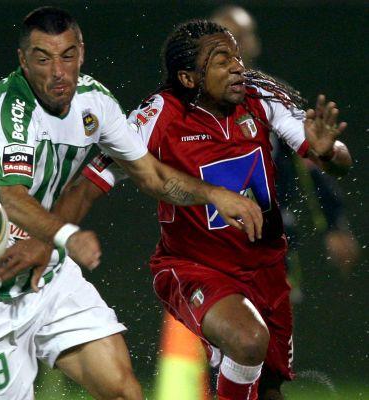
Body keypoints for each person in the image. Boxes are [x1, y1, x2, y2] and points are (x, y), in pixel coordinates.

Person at [0, 7, 263, 400]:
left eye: (67, 56)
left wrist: (213, 194)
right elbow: (12, 198)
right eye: (43, 59)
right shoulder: (9, 111)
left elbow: (151, 175)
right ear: (23, 60)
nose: (58, 72)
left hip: (49, 276)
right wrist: (66, 236)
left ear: (82, 52)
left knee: (123, 391)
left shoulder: (95, 103)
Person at [60, 20, 352, 400]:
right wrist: (49, 234)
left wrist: (329, 151)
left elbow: (336, 161)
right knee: (248, 339)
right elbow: (92, 181)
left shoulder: (262, 97)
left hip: (266, 267)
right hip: (195, 267)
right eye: (221, 60)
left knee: (268, 390)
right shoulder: (158, 116)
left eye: (236, 56)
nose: (237, 67)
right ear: (188, 77)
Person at [153, 6, 361, 400]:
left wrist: (333, 204)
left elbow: (321, 164)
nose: (234, 58)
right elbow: (129, 162)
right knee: (239, 343)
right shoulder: (167, 111)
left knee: (266, 378)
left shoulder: (267, 97)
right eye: (220, 50)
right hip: (205, 258)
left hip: (267, 251)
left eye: (237, 43)